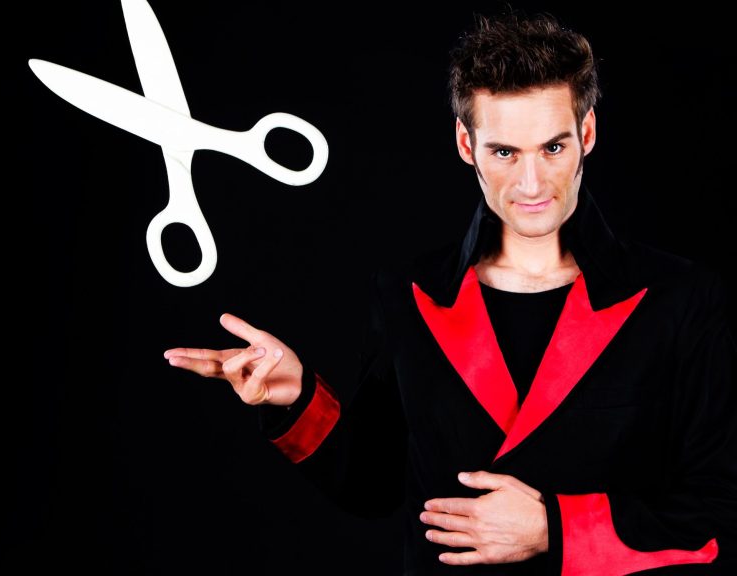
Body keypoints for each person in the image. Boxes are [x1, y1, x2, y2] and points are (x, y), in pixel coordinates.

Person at [163, 12, 737, 575]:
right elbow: (372, 485)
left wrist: (554, 530)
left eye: (553, 149)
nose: (531, 184)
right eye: (504, 152)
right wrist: (294, 396)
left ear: (586, 134)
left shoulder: (680, 299)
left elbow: (718, 515)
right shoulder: (407, 294)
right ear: (467, 143)